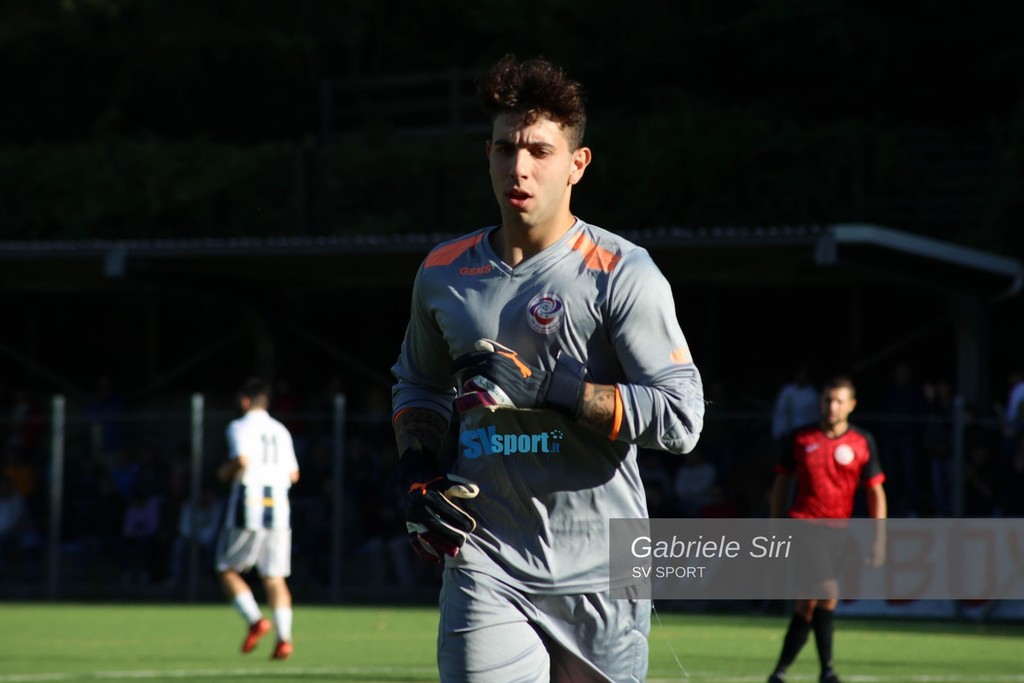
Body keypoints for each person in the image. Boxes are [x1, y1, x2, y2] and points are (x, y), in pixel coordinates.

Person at [390, 55, 705, 682]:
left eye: (540, 150)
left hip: (604, 569)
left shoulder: (622, 271)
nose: (520, 167)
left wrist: (548, 389)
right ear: (487, 155)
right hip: (485, 557)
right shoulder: (443, 272)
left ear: (577, 164)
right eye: (506, 148)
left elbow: (681, 417)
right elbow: (419, 383)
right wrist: (418, 471)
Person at [766, 376, 887, 683]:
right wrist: (775, 522)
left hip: (839, 532)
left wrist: (879, 538)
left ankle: (779, 672)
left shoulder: (862, 441)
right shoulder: (800, 438)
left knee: (810, 604)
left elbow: (875, 491)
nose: (832, 407)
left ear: (851, 405)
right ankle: (828, 672)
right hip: (804, 526)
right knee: (828, 592)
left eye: (838, 401)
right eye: (827, 400)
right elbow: (782, 483)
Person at [214, 378, 300, 661]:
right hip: (279, 507)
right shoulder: (281, 430)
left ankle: (255, 620)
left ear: (244, 401)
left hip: (249, 503)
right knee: (274, 577)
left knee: (226, 569)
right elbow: (294, 475)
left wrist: (223, 473)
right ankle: (284, 639)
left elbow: (242, 460)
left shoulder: (239, 426)